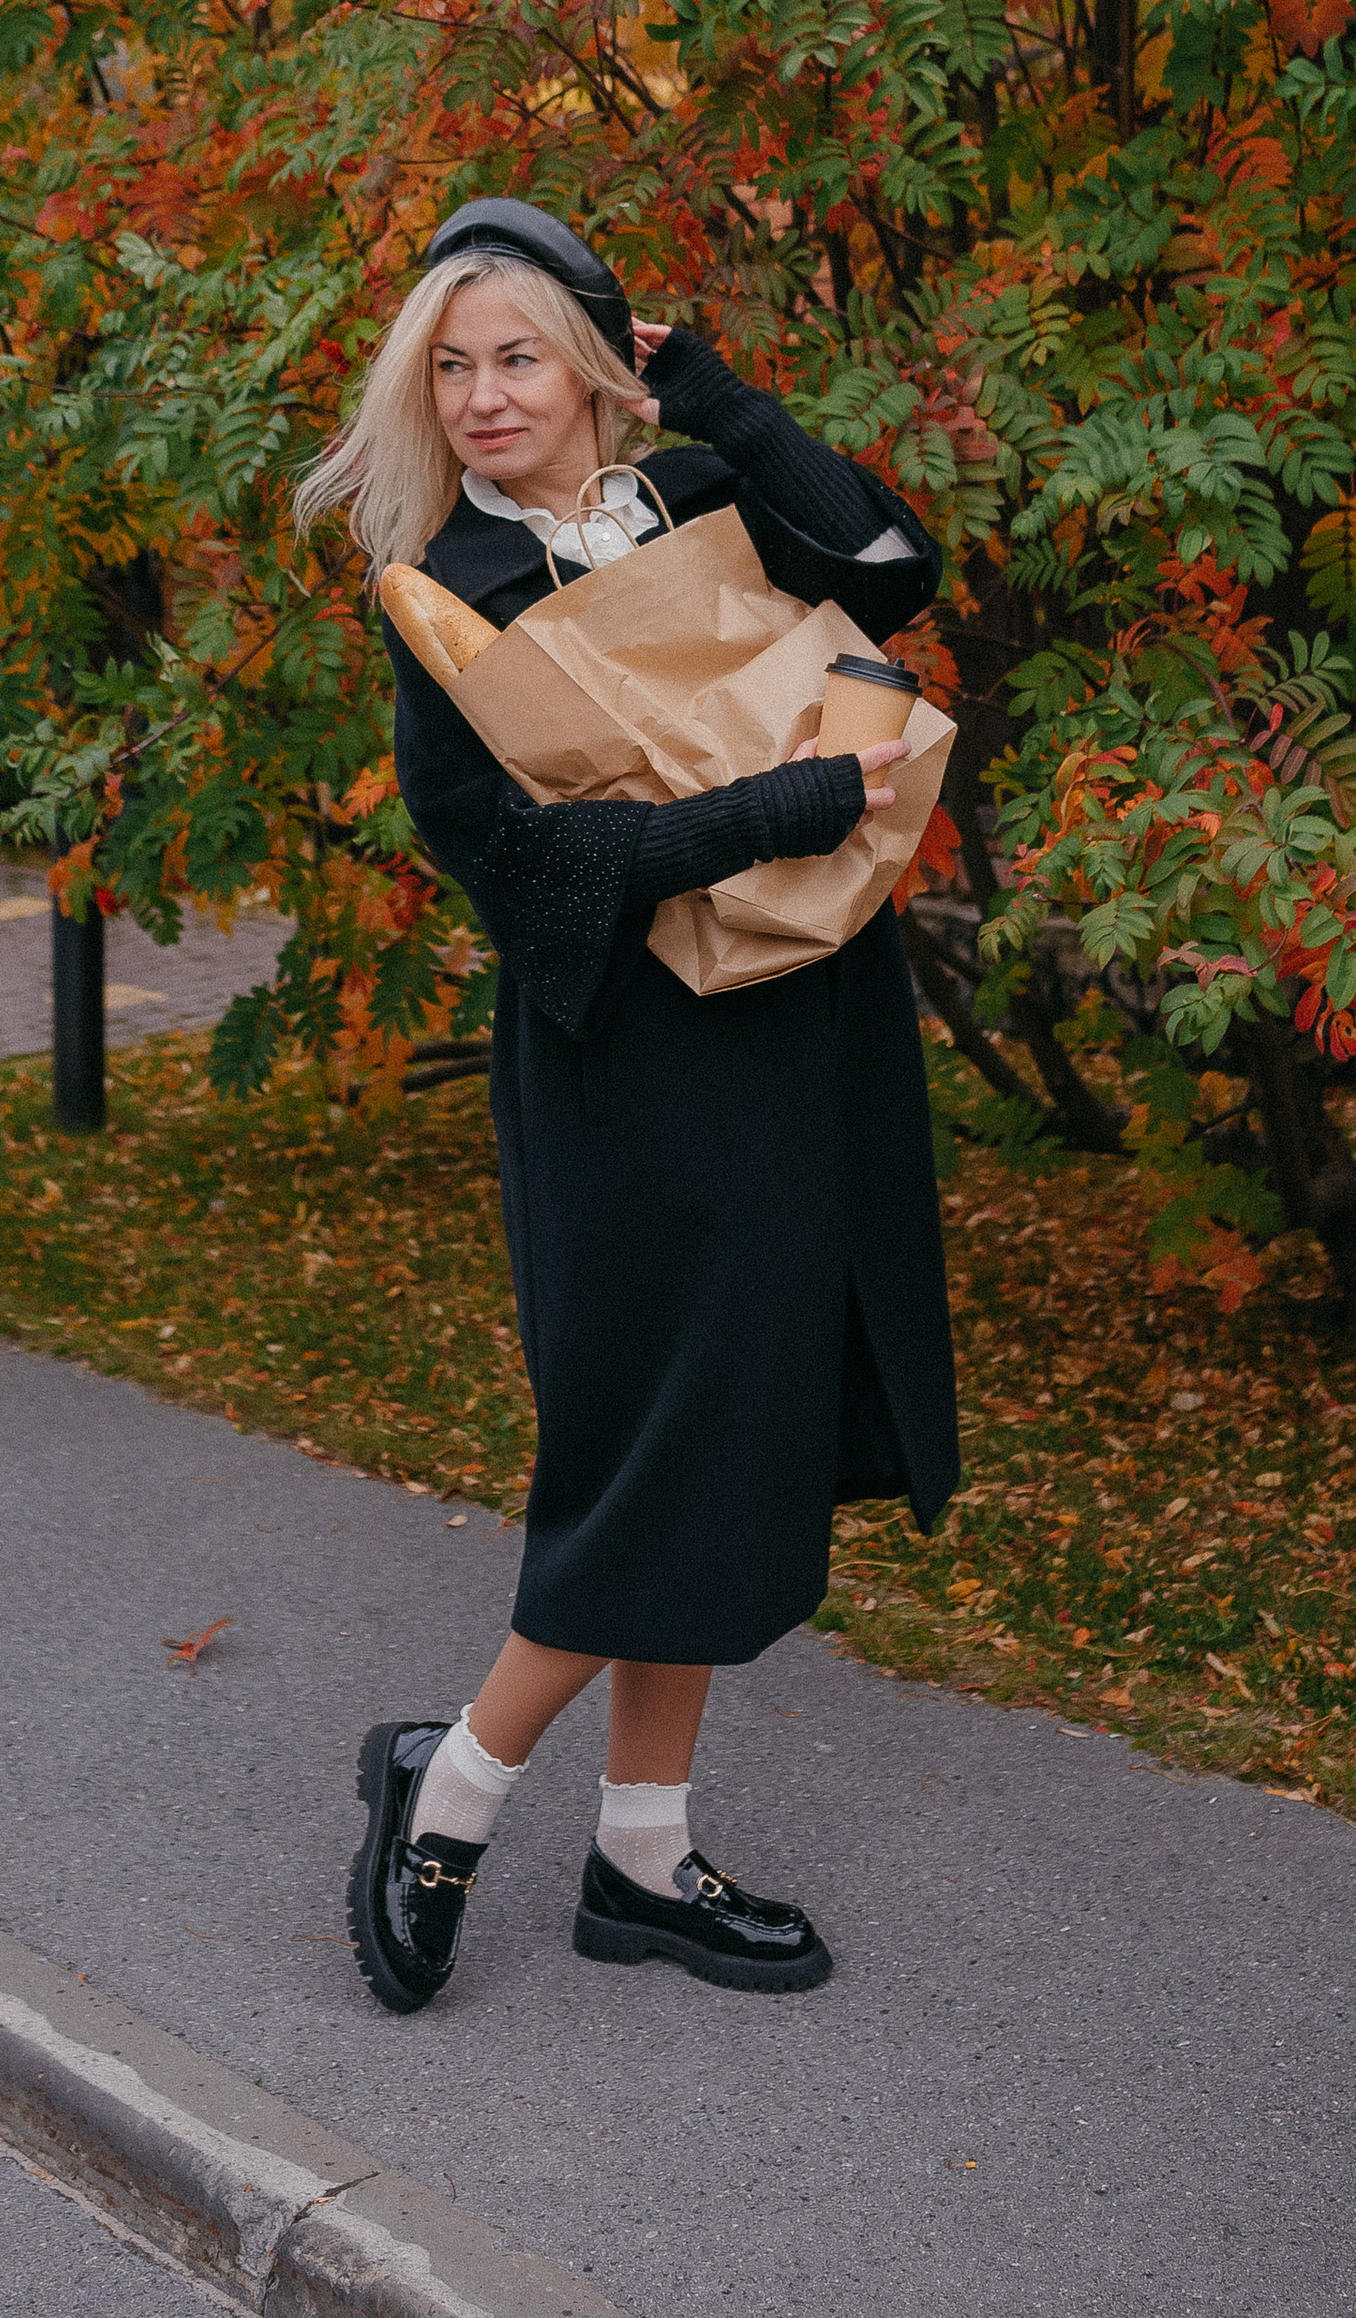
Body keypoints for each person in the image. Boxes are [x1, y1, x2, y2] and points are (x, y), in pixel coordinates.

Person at [297, 197, 958, 2015]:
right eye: (453, 365)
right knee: (656, 1447)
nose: (487, 394)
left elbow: (893, 574)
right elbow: (528, 878)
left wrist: (725, 398)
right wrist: (775, 811)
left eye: (519, 355)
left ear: (592, 365)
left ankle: (642, 1860)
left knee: (743, 1433)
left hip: (802, 1032)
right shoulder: (445, 596)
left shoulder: (691, 506)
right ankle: (450, 1791)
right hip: (632, 1072)